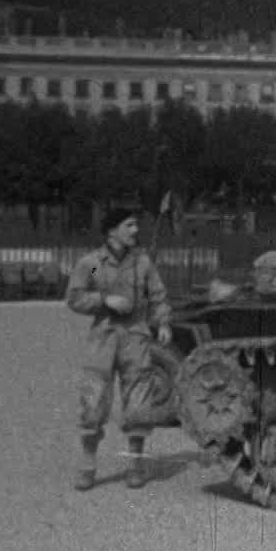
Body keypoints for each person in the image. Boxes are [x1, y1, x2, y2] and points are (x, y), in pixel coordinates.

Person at [65, 208, 173, 491]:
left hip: (135, 336)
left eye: (136, 225)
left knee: (138, 404)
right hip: (103, 337)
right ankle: (88, 465)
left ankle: (135, 465)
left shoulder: (143, 263)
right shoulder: (92, 263)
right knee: (93, 402)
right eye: (129, 225)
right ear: (112, 231)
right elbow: (75, 297)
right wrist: (105, 300)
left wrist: (162, 323)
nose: (135, 231)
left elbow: (158, 295)